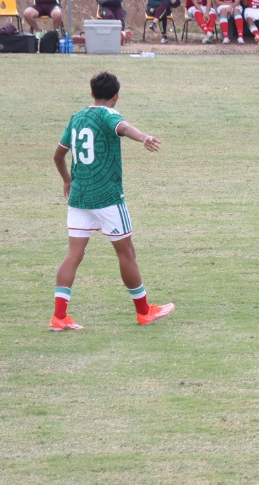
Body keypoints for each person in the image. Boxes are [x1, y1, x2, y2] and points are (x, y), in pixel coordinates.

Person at [49, 71, 175, 331]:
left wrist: (67, 181)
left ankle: (59, 317)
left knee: (74, 254)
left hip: (79, 197)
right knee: (126, 252)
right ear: (116, 96)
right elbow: (124, 129)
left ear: (92, 93)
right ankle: (144, 312)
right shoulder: (109, 115)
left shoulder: (77, 117)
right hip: (107, 196)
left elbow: (58, 155)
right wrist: (144, 138)